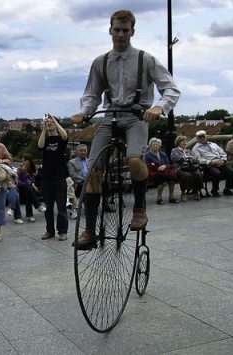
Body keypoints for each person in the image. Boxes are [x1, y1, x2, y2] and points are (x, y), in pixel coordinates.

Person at [71, 9, 180, 249]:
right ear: (110, 30)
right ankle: (89, 230)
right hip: (110, 117)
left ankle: (139, 209)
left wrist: (159, 108)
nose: (120, 34)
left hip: (136, 116)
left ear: (132, 31)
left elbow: (171, 89)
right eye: (117, 30)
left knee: (133, 160)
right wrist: (84, 112)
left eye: (125, 30)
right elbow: (91, 95)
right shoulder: (100, 62)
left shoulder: (146, 59)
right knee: (94, 171)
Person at [38, 114, 69, 241]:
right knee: (48, 207)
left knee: (61, 207)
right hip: (47, 178)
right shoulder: (46, 140)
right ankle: (49, 230)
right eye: (47, 122)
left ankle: (62, 231)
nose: (49, 123)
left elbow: (65, 136)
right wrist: (44, 129)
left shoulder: (60, 139)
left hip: (59, 177)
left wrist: (55, 122)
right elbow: (40, 145)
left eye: (51, 122)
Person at [192, 130, 233, 197]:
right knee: (217, 173)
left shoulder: (213, 144)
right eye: (200, 137)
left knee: (232, 172)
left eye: (203, 136)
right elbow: (198, 159)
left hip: (219, 162)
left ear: (206, 136)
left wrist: (223, 160)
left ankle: (227, 188)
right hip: (208, 165)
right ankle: (214, 190)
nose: (202, 138)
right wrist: (210, 162)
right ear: (197, 138)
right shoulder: (196, 148)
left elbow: (222, 153)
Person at [144, 137, 179, 205]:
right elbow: (146, 166)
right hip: (154, 173)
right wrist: (155, 167)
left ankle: (171, 197)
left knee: (172, 179)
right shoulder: (147, 155)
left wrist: (164, 166)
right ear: (150, 146)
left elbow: (168, 163)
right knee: (161, 179)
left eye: (157, 144)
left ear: (159, 146)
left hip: (165, 171)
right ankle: (159, 198)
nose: (155, 146)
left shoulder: (162, 154)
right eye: (153, 144)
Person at [170, 135, 203, 201]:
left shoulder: (188, 151)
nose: (185, 143)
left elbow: (195, 160)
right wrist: (186, 158)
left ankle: (196, 191)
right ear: (178, 143)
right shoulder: (175, 150)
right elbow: (175, 159)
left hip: (190, 167)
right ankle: (183, 193)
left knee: (197, 174)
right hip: (180, 168)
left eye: (186, 141)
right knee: (186, 175)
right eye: (183, 142)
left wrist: (193, 159)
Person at [17, 153, 46, 222]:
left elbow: (33, 179)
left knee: (28, 193)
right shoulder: (20, 169)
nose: (23, 162)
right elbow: (20, 181)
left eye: (25, 161)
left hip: (29, 189)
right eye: (23, 161)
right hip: (22, 187)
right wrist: (23, 172)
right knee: (27, 188)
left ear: (29, 161)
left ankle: (30, 215)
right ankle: (38, 206)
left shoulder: (33, 169)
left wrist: (32, 184)